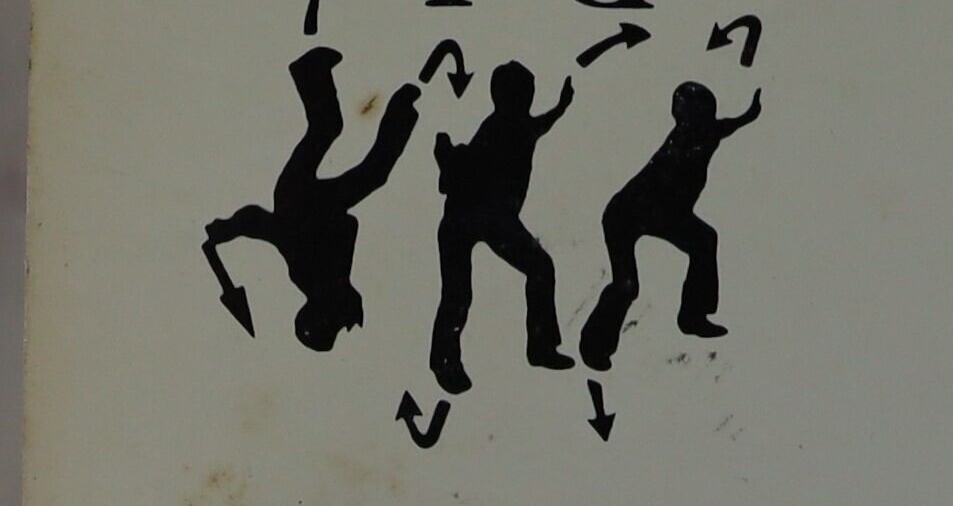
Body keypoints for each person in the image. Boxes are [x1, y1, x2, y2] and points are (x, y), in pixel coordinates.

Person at [202, 47, 424, 351]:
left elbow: (264, 223)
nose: (343, 321)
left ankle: (312, 73)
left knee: (330, 132)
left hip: (298, 196)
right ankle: (398, 106)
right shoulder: (333, 280)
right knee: (362, 160)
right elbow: (347, 226)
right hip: (319, 203)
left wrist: (229, 227)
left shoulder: (310, 274)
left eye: (336, 324)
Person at [580, 83, 764, 371]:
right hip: (627, 214)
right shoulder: (680, 142)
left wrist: (749, 114)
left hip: (663, 213)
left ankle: (693, 316)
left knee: (704, 240)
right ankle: (594, 346)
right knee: (627, 285)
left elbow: (727, 125)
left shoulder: (707, 133)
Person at [428, 60, 575, 395]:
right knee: (465, 292)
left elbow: (540, 125)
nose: (528, 98)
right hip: (477, 217)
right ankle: (448, 360)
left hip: (480, 218)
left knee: (464, 291)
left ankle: (536, 347)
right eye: (525, 92)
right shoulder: (504, 127)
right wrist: (447, 157)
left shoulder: (514, 124)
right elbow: (468, 167)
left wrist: (561, 107)